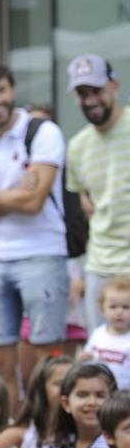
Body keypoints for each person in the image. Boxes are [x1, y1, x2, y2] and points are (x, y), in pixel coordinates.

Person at [0, 62, 70, 414]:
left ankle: (51, 428)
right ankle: (12, 429)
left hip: (42, 253)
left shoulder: (42, 131)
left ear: (12, 89)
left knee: (46, 357)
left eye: (0, 90)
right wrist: (12, 196)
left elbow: (34, 202)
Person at [62, 54, 129, 330]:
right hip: (100, 264)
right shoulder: (77, 147)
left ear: (114, 86)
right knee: (101, 356)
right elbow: (86, 206)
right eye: (82, 93)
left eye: (97, 91)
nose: (90, 100)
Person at [82, 275, 130, 389]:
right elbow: (88, 356)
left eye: (126, 307)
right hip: (99, 389)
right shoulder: (98, 334)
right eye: (113, 307)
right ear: (102, 309)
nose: (119, 312)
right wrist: (83, 358)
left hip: (124, 393)